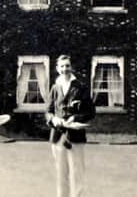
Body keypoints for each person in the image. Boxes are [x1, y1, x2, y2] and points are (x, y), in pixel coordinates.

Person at [46, 55, 96, 197]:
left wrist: (76, 117)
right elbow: (48, 111)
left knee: (77, 174)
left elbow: (91, 111)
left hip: (76, 136)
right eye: (62, 66)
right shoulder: (55, 88)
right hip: (58, 136)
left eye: (67, 66)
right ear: (57, 69)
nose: (65, 69)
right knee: (61, 175)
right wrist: (54, 119)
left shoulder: (81, 87)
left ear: (71, 67)